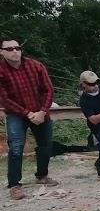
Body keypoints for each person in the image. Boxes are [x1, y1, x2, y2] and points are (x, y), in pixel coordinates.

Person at [0, 39, 58, 200]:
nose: (14, 51)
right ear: (1, 52)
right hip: (16, 114)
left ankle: (42, 176)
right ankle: (14, 185)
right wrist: (28, 113)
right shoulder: (1, 71)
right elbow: (4, 100)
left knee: (46, 146)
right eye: (9, 49)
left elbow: (48, 90)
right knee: (16, 148)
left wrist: (42, 111)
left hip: (40, 111)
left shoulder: (36, 66)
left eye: (17, 48)